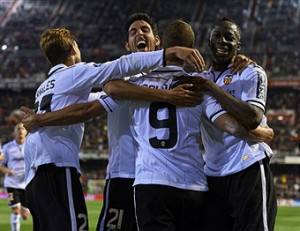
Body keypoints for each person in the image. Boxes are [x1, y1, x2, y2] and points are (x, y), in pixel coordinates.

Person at [23, 27, 205, 231]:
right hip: (70, 168)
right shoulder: (80, 73)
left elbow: (94, 102)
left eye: (145, 29)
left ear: (157, 41)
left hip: (36, 171)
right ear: (73, 47)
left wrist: (41, 118)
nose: (139, 34)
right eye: (133, 31)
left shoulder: (44, 87)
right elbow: (114, 78)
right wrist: (167, 62)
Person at [194, 18, 277, 231]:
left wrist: (213, 89)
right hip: (213, 174)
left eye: (229, 37)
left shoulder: (251, 72)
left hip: (247, 166)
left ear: (238, 45)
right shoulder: (200, 79)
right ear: (209, 42)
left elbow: (252, 118)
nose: (222, 41)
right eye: (217, 37)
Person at [0, 123, 30, 231]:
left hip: (27, 184)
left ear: (26, 132)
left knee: (25, 215)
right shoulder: (7, 147)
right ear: (14, 132)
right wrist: (7, 170)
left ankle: (25, 210)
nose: (20, 131)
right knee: (15, 211)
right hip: (11, 184)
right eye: (18, 129)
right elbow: (1, 166)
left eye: (23, 128)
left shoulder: (30, 145)